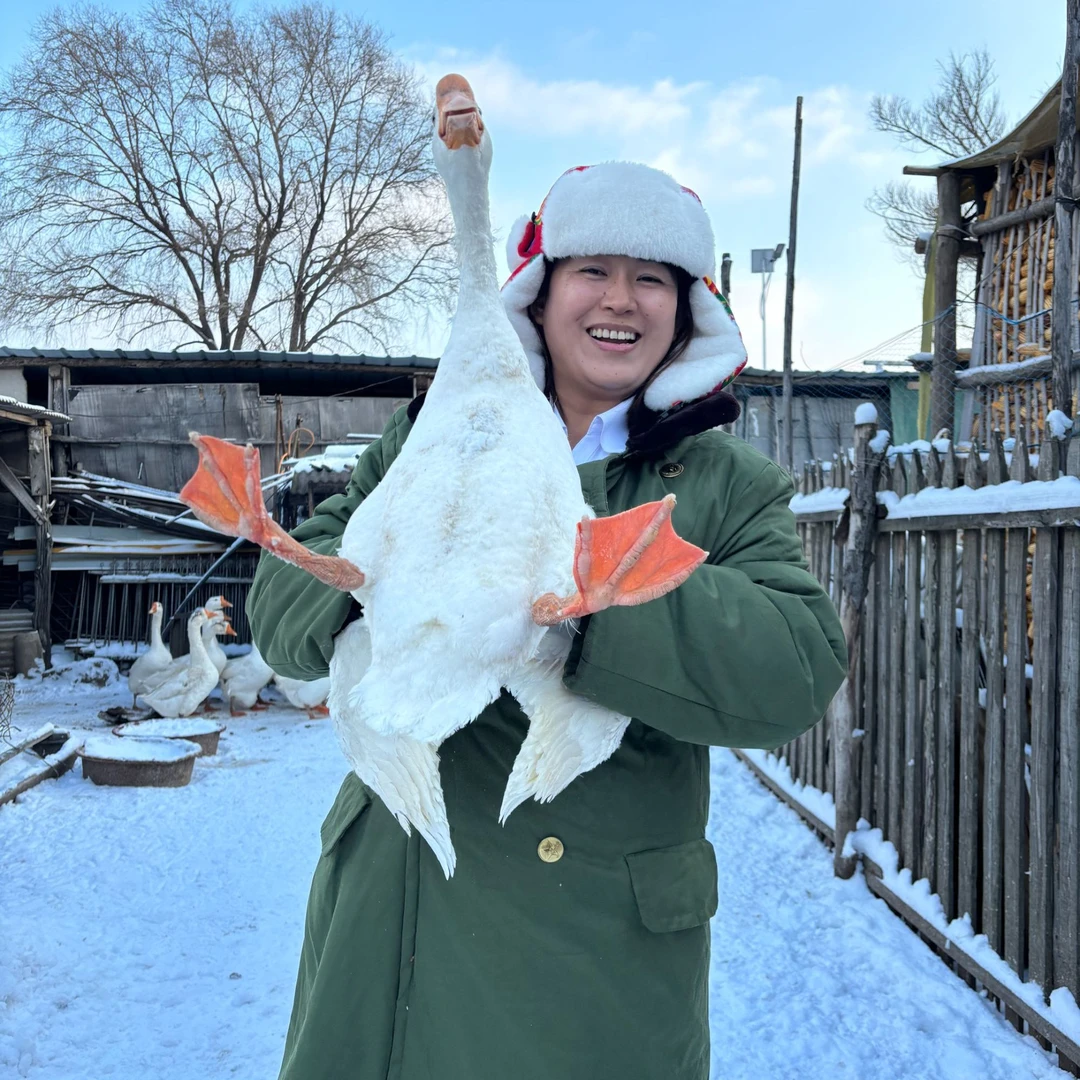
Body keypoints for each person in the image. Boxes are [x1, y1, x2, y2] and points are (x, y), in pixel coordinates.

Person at [248, 161, 847, 1080]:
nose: (622, 299)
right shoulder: (432, 443)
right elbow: (282, 618)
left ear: (687, 313)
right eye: (592, 271)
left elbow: (794, 669)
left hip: (589, 947)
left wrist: (590, 595)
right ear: (541, 292)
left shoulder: (726, 486)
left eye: (653, 278)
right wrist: (380, 584)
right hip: (395, 916)